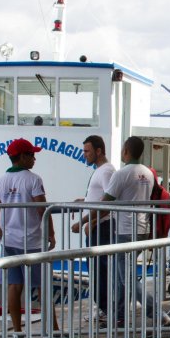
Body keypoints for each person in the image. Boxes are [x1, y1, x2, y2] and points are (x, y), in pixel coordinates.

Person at [0, 138, 57, 338]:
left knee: (14, 285)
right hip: (33, 241)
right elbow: (42, 209)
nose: (34, 158)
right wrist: (51, 233)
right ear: (21, 157)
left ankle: (18, 331)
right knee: (43, 285)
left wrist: (2, 234)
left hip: (9, 241)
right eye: (31, 154)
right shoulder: (33, 180)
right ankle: (53, 330)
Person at [101, 136, 169, 325]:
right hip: (142, 229)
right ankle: (119, 316)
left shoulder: (121, 174)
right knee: (121, 274)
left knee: (128, 278)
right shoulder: (148, 173)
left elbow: (105, 202)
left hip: (125, 231)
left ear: (126, 151)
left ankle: (157, 314)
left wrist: (84, 220)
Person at [71, 135, 116, 324]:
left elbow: (109, 202)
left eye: (87, 151)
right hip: (99, 226)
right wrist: (86, 200)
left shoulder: (106, 171)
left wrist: (85, 222)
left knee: (99, 271)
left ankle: (107, 310)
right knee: (98, 270)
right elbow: (101, 198)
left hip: (102, 227)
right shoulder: (101, 170)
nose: (84, 155)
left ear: (98, 151)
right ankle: (105, 309)